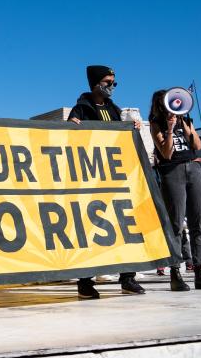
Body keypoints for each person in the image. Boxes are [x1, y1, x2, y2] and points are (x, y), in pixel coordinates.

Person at [68, 65, 145, 298]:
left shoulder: (114, 109)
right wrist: (72, 128)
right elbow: (70, 136)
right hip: (93, 178)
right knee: (91, 229)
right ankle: (85, 282)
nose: (112, 87)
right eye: (108, 82)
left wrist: (133, 129)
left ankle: (127, 278)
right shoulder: (81, 108)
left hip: (116, 177)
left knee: (125, 225)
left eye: (114, 83)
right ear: (95, 84)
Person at [148, 89, 201, 291]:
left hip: (194, 169)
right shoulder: (156, 125)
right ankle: (175, 273)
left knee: (197, 224)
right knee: (176, 224)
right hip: (173, 171)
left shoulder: (186, 121)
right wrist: (170, 129)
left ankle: (200, 273)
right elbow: (166, 153)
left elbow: (197, 145)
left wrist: (188, 128)